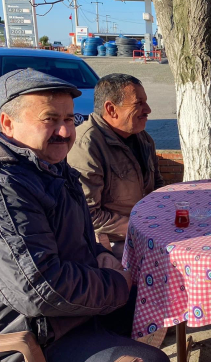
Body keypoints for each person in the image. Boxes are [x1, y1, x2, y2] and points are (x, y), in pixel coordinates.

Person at [0, 69, 171, 362]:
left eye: (69, 118)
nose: (65, 131)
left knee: (151, 296)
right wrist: (115, 283)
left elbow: (77, 237)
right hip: (19, 351)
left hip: (59, 321)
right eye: (50, 119)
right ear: (8, 124)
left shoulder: (45, 165)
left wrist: (103, 255)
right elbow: (40, 288)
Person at [68, 74, 164, 259]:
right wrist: (143, 227)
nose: (148, 110)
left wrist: (165, 214)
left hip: (146, 230)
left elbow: (157, 186)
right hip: (110, 242)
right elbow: (88, 215)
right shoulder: (86, 145)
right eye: (139, 103)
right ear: (111, 109)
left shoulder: (142, 138)